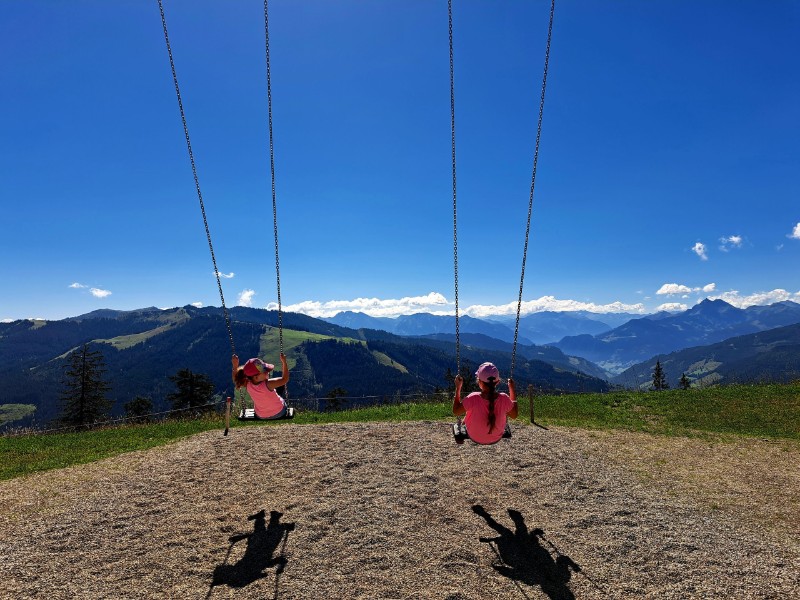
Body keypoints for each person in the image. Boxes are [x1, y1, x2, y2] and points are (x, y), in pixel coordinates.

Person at [453, 362, 517, 444]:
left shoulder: (473, 398)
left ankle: (463, 429)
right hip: (496, 437)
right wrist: (512, 389)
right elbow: (514, 415)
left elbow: (456, 411)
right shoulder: (504, 398)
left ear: (479, 381)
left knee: (458, 425)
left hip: (474, 436)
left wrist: (458, 388)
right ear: (497, 382)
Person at [232, 353, 291, 419]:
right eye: (265, 371)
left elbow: (236, 379)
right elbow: (284, 379)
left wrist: (235, 365)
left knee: (275, 388)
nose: (268, 372)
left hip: (260, 415)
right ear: (256, 377)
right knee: (280, 386)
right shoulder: (269, 384)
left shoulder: (248, 384)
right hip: (279, 413)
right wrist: (284, 362)